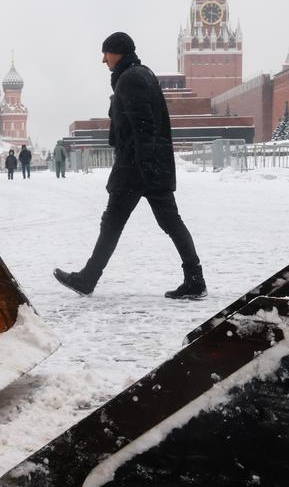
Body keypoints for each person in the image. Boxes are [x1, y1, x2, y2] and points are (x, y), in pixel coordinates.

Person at [54, 32, 206, 299]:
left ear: (119, 52)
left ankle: (88, 278)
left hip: (137, 168)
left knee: (114, 223)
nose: (104, 60)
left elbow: (144, 127)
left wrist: (144, 168)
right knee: (169, 222)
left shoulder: (130, 79)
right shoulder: (141, 74)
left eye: (107, 53)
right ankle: (195, 279)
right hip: (150, 165)